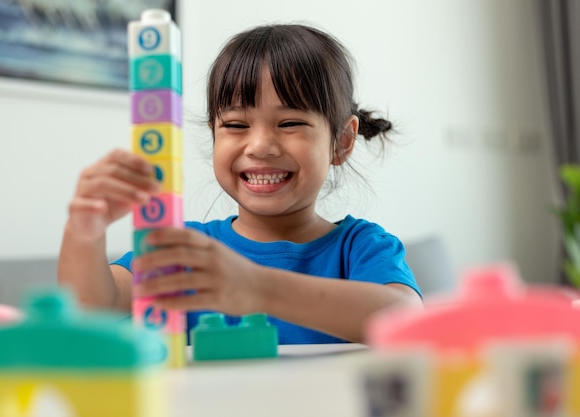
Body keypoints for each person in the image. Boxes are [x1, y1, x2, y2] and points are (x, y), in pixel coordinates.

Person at [58, 23, 423, 344]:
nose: (260, 145)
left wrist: (258, 288)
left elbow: (406, 320)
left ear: (341, 141)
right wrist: (83, 231)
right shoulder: (185, 250)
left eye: (290, 122)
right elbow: (90, 307)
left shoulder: (361, 247)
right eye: (235, 125)